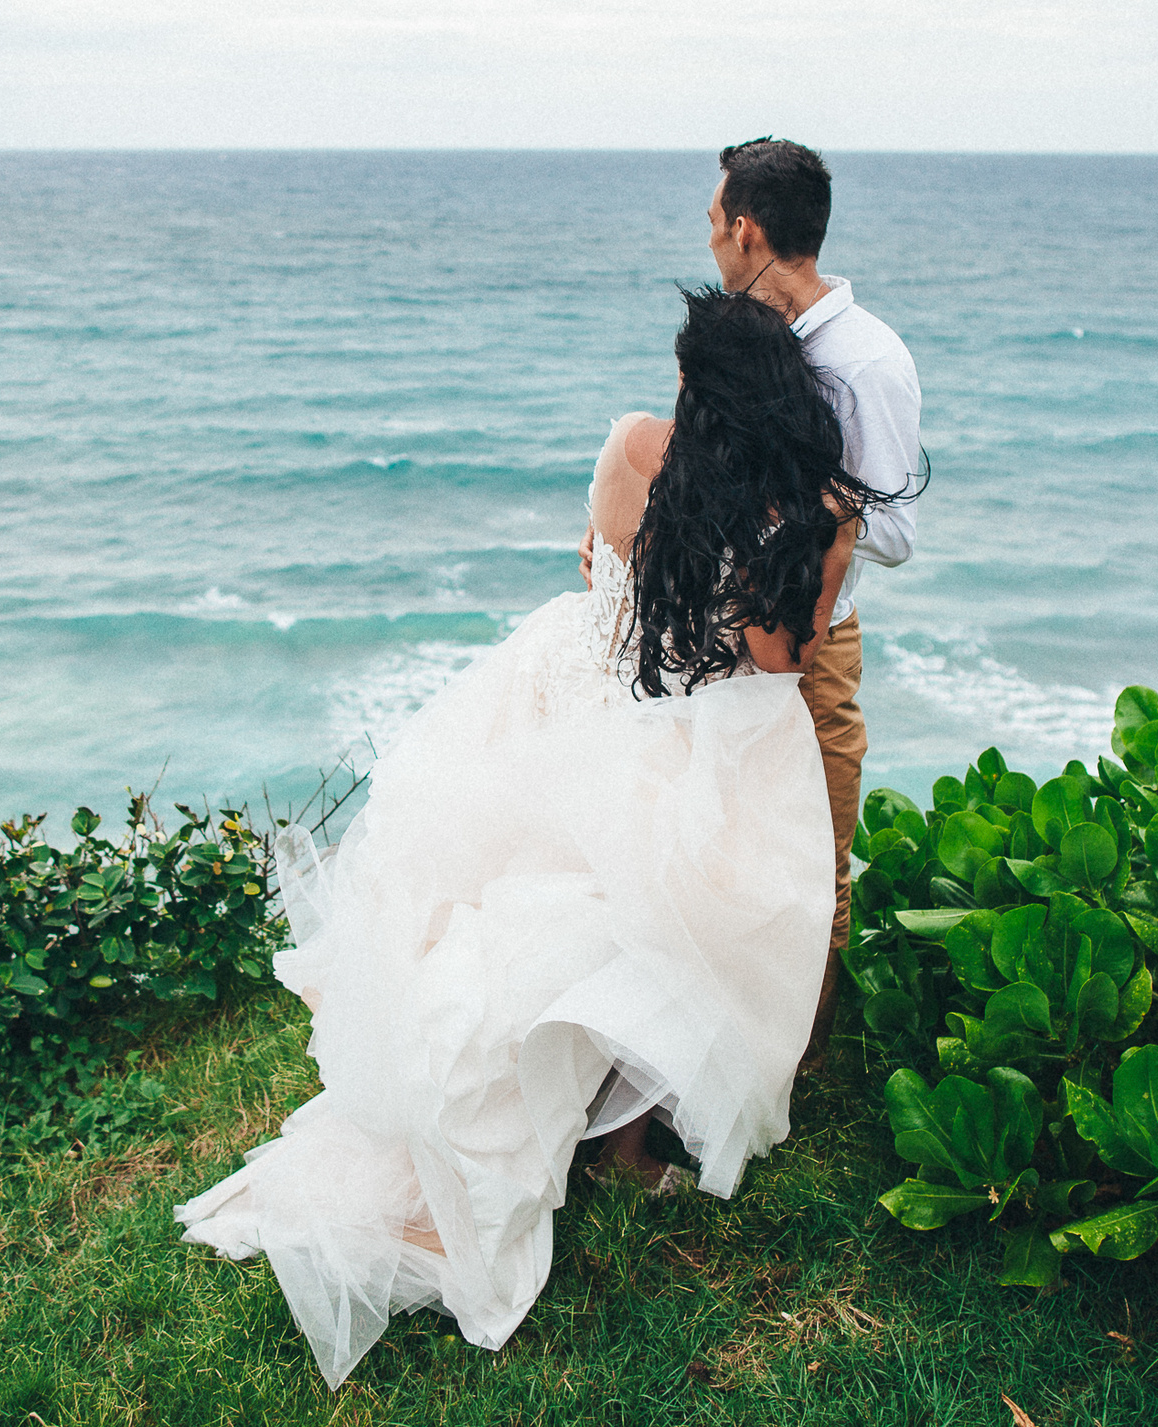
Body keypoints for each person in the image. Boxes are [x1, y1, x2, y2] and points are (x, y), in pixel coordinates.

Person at [175, 288, 899, 1388]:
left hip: (569, 690)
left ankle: (597, 1135)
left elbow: (597, 563)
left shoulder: (635, 447)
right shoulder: (798, 508)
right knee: (654, 926)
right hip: (672, 733)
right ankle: (619, 1142)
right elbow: (775, 660)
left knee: (530, 908)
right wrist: (820, 543)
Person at [586, 138, 924, 1067]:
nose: (706, 239)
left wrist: (802, 524)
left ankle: (795, 1069)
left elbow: (895, 530)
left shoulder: (867, 361)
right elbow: (694, 453)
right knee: (696, 863)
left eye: (711, 221)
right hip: (709, 649)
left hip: (806, 644)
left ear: (746, 229)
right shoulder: (736, 331)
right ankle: (697, 1059)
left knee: (812, 861)